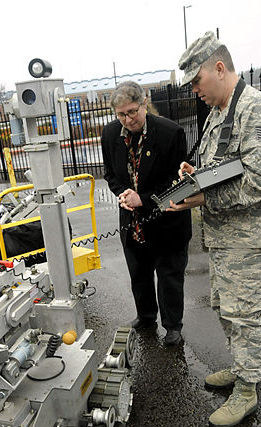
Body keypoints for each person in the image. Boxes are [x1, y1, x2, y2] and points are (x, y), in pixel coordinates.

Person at [169, 31, 261, 427]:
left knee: (245, 314)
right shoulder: (220, 112)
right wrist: (194, 176)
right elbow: (219, 168)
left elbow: (258, 182)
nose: (194, 91)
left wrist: (201, 199)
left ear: (219, 68)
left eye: (196, 81)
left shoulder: (259, 111)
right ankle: (241, 367)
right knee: (225, 308)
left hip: (250, 239)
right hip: (223, 238)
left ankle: (247, 388)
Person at [101, 81, 192, 345]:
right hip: (133, 221)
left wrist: (143, 199)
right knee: (139, 273)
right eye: (121, 114)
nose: (127, 119)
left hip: (167, 221)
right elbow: (110, 173)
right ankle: (146, 315)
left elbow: (177, 182)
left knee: (169, 277)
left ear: (144, 102)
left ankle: (173, 326)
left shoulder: (170, 132)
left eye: (132, 112)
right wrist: (124, 194)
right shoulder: (109, 134)